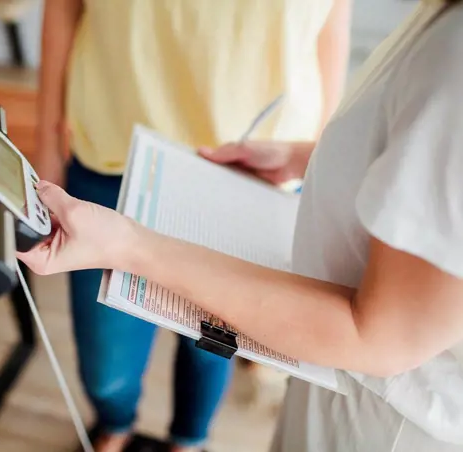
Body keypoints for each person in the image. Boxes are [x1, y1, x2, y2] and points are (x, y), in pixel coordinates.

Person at [24, 0, 463, 450]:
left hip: (246, 175)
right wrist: (309, 152)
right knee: (106, 361)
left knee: (212, 347)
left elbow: (380, 335)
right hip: (118, 145)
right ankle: (116, 424)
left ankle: (189, 439)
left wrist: (133, 247)